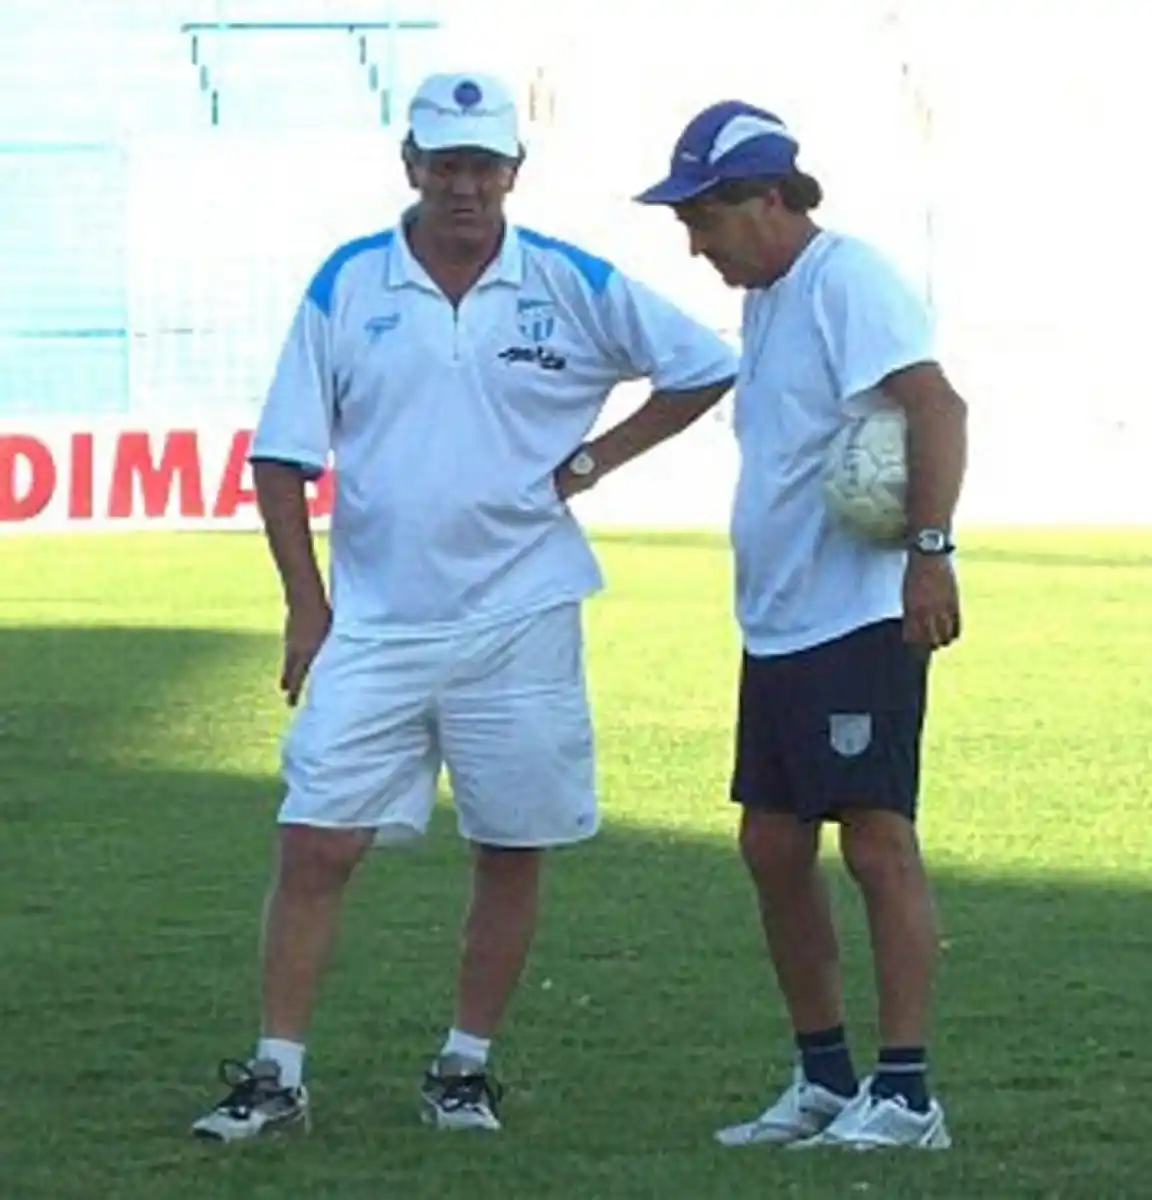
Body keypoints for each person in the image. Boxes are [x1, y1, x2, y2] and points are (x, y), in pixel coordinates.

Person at [190, 71, 737, 1142]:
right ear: (410, 166)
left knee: (510, 842)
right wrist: (308, 607)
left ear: (513, 174)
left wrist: (588, 463)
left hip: (522, 612)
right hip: (378, 620)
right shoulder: (347, 284)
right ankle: (277, 1072)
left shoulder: (569, 279)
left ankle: (464, 1068)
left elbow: (703, 364)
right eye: (445, 163)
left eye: (484, 165)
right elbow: (281, 456)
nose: (465, 185)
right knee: (314, 841)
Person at [635, 101, 967, 1150]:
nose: (695, 240)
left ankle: (907, 1094)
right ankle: (825, 1077)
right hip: (779, 623)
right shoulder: (769, 298)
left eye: (706, 215)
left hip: (858, 614)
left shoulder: (847, 280)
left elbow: (938, 406)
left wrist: (928, 551)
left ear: (771, 200)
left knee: (875, 842)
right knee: (773, 845)